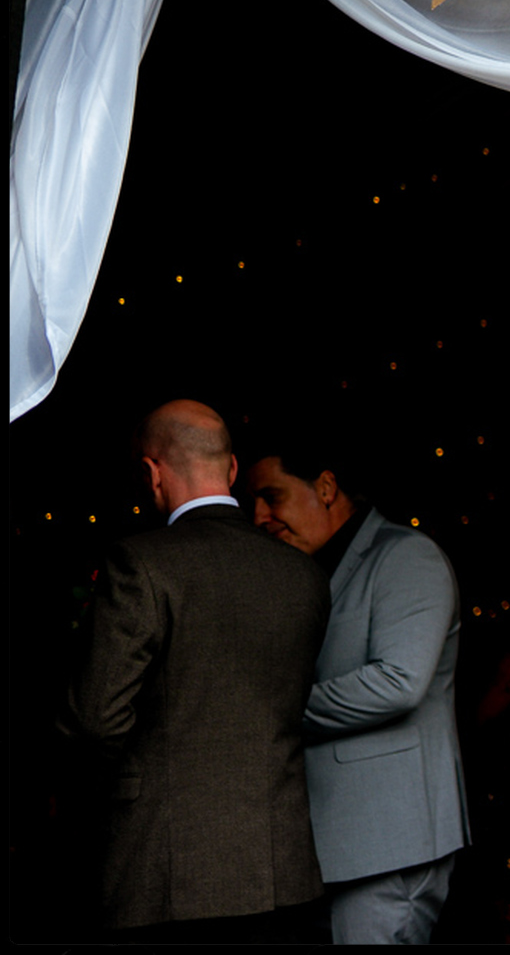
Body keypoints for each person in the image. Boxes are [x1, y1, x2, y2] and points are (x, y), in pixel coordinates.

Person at [65, 400, 331, 939]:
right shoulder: (304, 575)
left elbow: (95, 720)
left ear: (150, 472)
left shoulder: (140, 563)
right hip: (287, 873)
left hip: (167, 874)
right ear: (232, 470)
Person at [248, 441, 471, 944]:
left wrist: (270, 710)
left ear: (325, 487)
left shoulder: (406, 556)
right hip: (328, 848)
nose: (259, 516)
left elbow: (398, 683)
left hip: (390, 846)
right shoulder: (307, 569)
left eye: (271, 497)